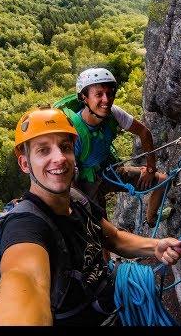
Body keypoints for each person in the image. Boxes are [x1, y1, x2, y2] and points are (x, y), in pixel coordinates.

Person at [0, 106, 181, 326]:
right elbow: (27, 281)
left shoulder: (76, 198)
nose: (59, 158)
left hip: (111, 305)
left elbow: (114, 238)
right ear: (25, 164)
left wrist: (155, 246)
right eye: (43, 150)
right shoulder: (24, 226)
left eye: (65, 147)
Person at [67, 67, 168, 227]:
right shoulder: (74, 134)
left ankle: (150, 220)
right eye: (99, 94)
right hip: (87, 183)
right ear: (84, 98)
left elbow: (143, 132)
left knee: (162, 180)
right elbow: (69, 178)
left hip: (109, 170)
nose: (106, 100)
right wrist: (81, 205)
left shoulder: (113, 113)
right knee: (103, 231)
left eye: (110, 93)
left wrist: (150, 169)